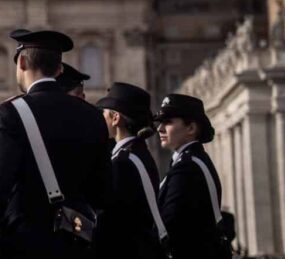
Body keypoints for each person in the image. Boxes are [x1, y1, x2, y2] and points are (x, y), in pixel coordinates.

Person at [0, 30, 111, 259]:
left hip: (26, 242)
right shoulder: (92, 115)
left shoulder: (13, 112)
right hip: (78, 242)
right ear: (59, 70)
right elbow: (103, 192)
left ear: (23, 62)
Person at [93, 83, 164, 259]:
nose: (100, 117)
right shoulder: (137, 153)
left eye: (104, 112)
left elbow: (111, 223)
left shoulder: (123, 163)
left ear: (116, 118)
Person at [155, 94, 229, 259]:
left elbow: (168, 224)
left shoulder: (188, 167)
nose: (159, 128)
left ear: (191, 129)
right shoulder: (191, 161)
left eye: (168, 122)